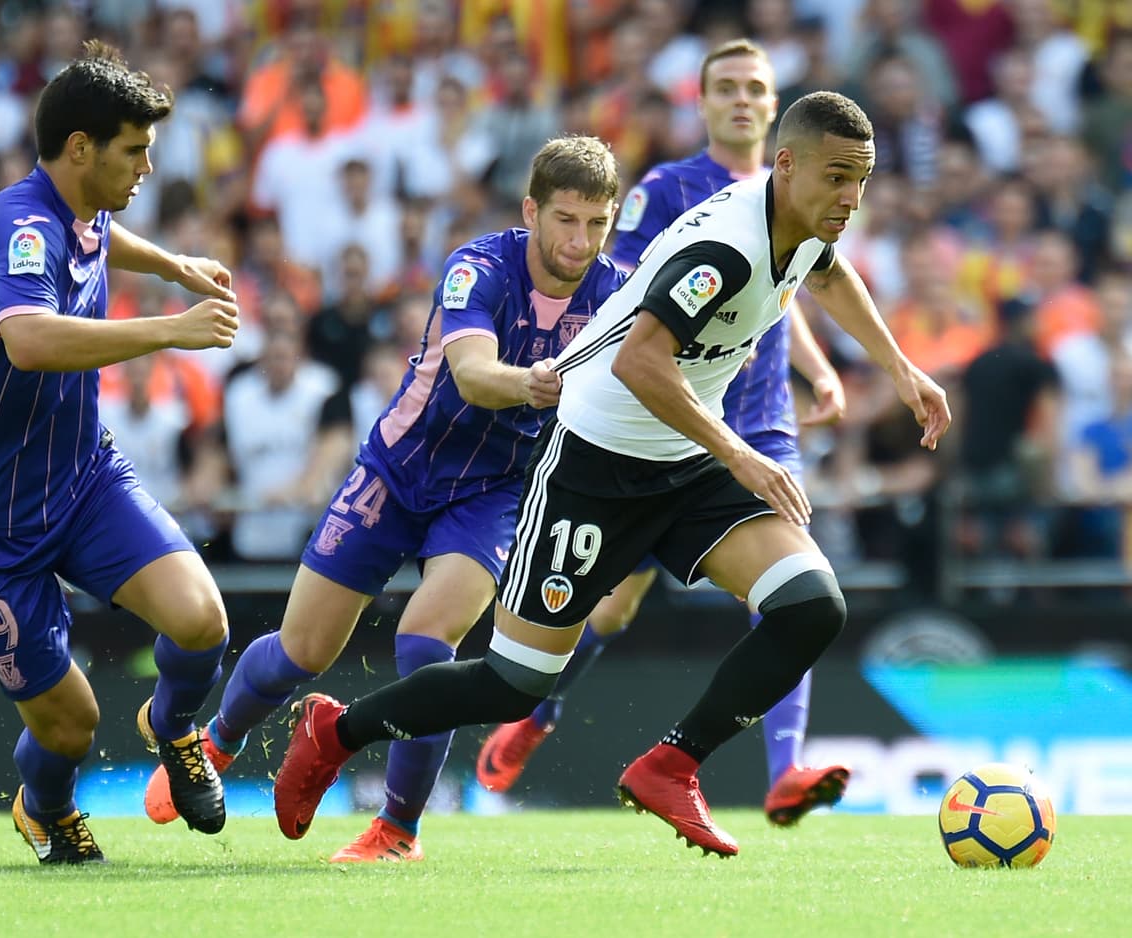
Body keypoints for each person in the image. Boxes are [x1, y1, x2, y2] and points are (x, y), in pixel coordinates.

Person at [272, 91, 951, 857]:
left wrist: (900, 369)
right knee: (510, 683)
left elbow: (825, 273)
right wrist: (738, 451)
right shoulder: (725, 249)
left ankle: (672, 764)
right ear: (787, 166)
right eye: (837, 177)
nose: (851, 199)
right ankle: (337, 729)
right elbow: (639, 361)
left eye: (861, 178)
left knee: (810, 605)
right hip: (595, 462)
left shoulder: (800, 219)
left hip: (684, 457)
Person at [142, 136, 626, 861]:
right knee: (302, 649)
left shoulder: (617, 292)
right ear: (532, 210)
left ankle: (398, 831)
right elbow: (470, 374)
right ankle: (214, 743)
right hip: (396, 471)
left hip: (493, 493)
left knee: (427, 648)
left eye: (597, 223)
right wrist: (535, 382)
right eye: (565, 220)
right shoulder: (479, 268)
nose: (580, 240)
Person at [475, 38, 853, 826]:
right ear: (704, 102)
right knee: (606, 612)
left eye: (756, 87)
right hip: (657, 420)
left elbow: (789, 286)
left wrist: (819, 368)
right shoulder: (671, 190)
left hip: (757, 424)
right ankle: (535, 712)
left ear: (776, 105)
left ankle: (785, 770)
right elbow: (651, 299)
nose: (742, 100)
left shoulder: (812, 192)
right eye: (726, 88)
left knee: (791, 588)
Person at [0, 41, 241, 865]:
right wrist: (169, 330)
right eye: (133, 150)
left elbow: (103, 237)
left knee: (203, 622)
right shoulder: (16, 225)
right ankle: (46, 808)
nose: (145, 167)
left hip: (80, 478)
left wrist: (173, 266)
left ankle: (171, 728)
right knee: (71, 723)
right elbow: (27, 340)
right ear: (78, 149)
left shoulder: (81, 211)